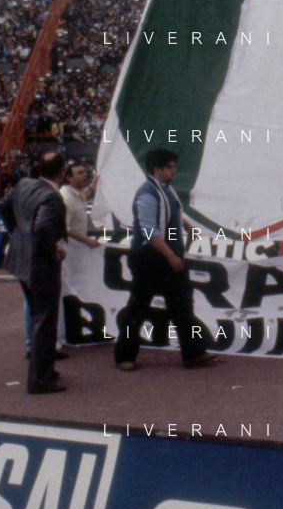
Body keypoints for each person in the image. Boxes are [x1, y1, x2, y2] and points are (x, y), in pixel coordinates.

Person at [113, 148, 218, 371]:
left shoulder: (166, 190)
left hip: (168, 256)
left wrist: (187, 226)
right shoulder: (147, 195)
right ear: (156, 169)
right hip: (148, 259)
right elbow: (150, 232)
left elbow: (173, 212)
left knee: (183, 306)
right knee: (138, 308)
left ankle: (193, 354)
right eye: (170, 167)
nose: (174, 170)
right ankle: (124, 357)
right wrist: (171, 256)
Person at [0, 152, 68, 394]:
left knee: (39, 317)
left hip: (21, 261)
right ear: (62, 172)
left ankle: (45, 370)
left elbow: (2, 206)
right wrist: (54, 249)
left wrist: (19, 234)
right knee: (45, 320)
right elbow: (43, 228)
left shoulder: (24, 184)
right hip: (41, 264)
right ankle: (40, 379)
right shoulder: (52, 197)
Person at [60, 161, 101, 250]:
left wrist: (92, 186)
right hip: (69, 250)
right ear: (69, 178)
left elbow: (80, 200)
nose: (85, 174)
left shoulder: (75, 192)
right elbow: (64, 228)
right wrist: (87, 240)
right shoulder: (66, 199)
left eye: (84, 171)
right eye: (80, 173)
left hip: (77, 248)